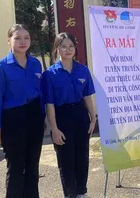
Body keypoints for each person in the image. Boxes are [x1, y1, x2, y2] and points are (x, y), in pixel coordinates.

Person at [0, 24, 45, 198]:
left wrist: (43, 119)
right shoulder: (0, 68)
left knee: (33, 164)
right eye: (17, 38)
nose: (22, 41)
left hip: (34, 117)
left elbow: (40, 92)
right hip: (12, 119)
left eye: (26, 38)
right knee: (16, 166)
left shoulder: (35, 64)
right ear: (9, 41)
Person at [41, 33, 96, 198]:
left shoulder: (83, 70)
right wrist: (54, 128)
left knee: (82, 155)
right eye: (63, 46)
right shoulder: (49, 74)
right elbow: (49, 104)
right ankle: (70, 194)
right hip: (61, 115)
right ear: (57, 49)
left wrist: (93, 119)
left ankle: (81, 192)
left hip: (80, 114)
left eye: (71, 46)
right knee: (66, 159)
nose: (68, 50)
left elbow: (87, 96)